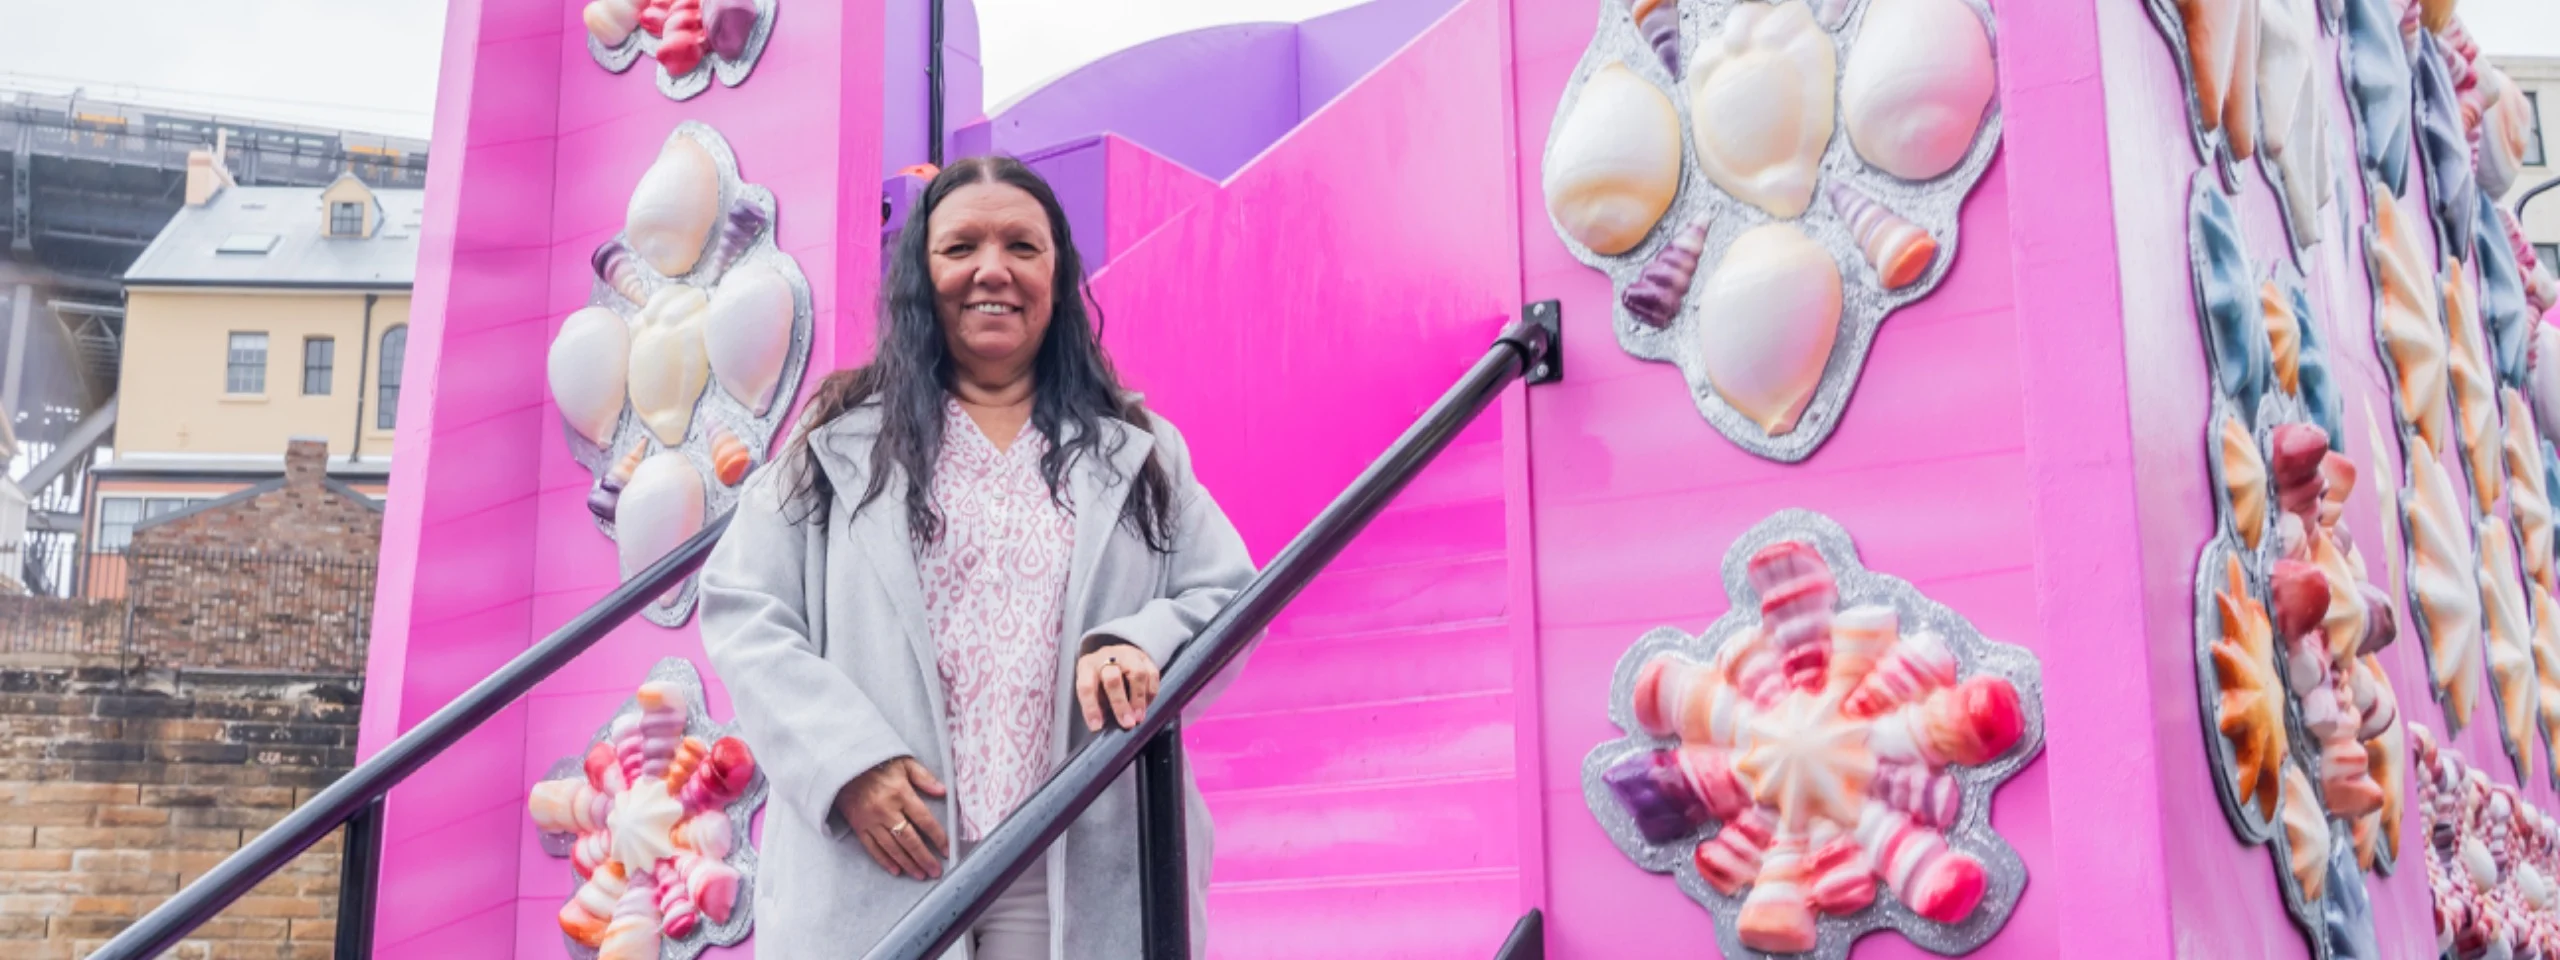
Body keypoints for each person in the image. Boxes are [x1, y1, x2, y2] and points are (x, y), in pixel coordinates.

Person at [699, 156, 1255, 959]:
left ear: (1057, 277)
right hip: (885, 858)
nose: (992, 269)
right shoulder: (836, 441)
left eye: (1022, 247)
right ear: (922, 277)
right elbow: (746, 608)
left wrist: (1141, 642)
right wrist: (846, 762)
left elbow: (1228, 597)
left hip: (1081, 860)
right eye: (961, 247)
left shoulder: (1139, 449)